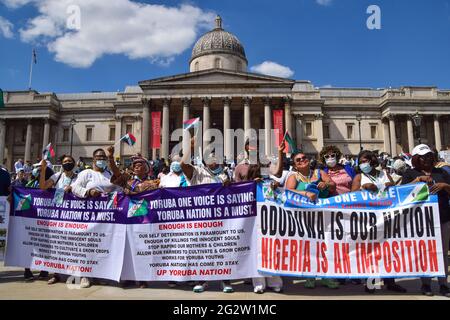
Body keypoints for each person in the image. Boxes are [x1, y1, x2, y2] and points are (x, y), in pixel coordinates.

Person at [351, 150, 407, 294]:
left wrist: (390, 185)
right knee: (371, 250)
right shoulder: (359, 177)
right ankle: (371, 282)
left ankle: (391, 281)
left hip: (387, 217)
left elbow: (395, 190)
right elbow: (352, 196)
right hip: (369, 218)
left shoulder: (383, 174)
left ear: (372, 161)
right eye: (361, 162)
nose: (363, 164)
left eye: (365, 161)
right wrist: (364, 188)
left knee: (389, 249)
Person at [180, 152, 233, 293]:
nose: (213, 160)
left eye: (216, 157)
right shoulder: (197, 171)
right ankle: (202, 281)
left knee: (222, 250)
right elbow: (183, 165)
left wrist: (229, 185)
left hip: (220, 219)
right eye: (210, 157)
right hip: (201, 219)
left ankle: (225, 281)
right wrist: (188, 148)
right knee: (202, 251)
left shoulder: (224, 174)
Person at [401, 144, 450, 297]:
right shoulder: (410, 173)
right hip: (422, 220)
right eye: (423, 157)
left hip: (442, 216)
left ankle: (443, 283)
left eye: (429, 156)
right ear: (416, 158)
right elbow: (402, 193)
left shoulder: (441, 172)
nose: (427, 159)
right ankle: (426, 283)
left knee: (442, 251)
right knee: (425, 252)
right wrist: (418, 180)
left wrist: (444, 185)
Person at [286, 151, 338, 289]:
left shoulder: (319, 173)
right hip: (305, 218)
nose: (302, 160)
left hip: (324, 215)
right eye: (298, 160)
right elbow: (288, 191)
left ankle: (327, 276)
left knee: (326, 245)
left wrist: (325, 184)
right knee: (309, 246)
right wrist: (305, 193)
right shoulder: (293, 176)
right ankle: (310, 276)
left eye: (304, 158)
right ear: (295, 165)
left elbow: (333, 185)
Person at [71, 148, 122, 288]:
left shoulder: (109, 174)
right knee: (87, 245)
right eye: (98, 157)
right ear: (93, 159)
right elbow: (74, 187)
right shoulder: (86, 173)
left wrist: (115, 196)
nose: (101, 159)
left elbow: (118, 189)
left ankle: (99, 274)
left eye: (103, 157)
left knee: (102, 245)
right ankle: (84, 275)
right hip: (88, 215)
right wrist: (88, 191)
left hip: (105, 217)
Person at [38, 155, 78, 285]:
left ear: (74, 163)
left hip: (74, 216)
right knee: (58, 245)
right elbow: (43, 187)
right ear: (61, 164)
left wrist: (72, 188)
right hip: (58, 215)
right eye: (65, 161)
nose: (67, 163)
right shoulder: (57, 176)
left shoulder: (78, 177)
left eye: (70, 161)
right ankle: (56, 274)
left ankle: (74, 274)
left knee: (73, 246)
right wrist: (43, 170)